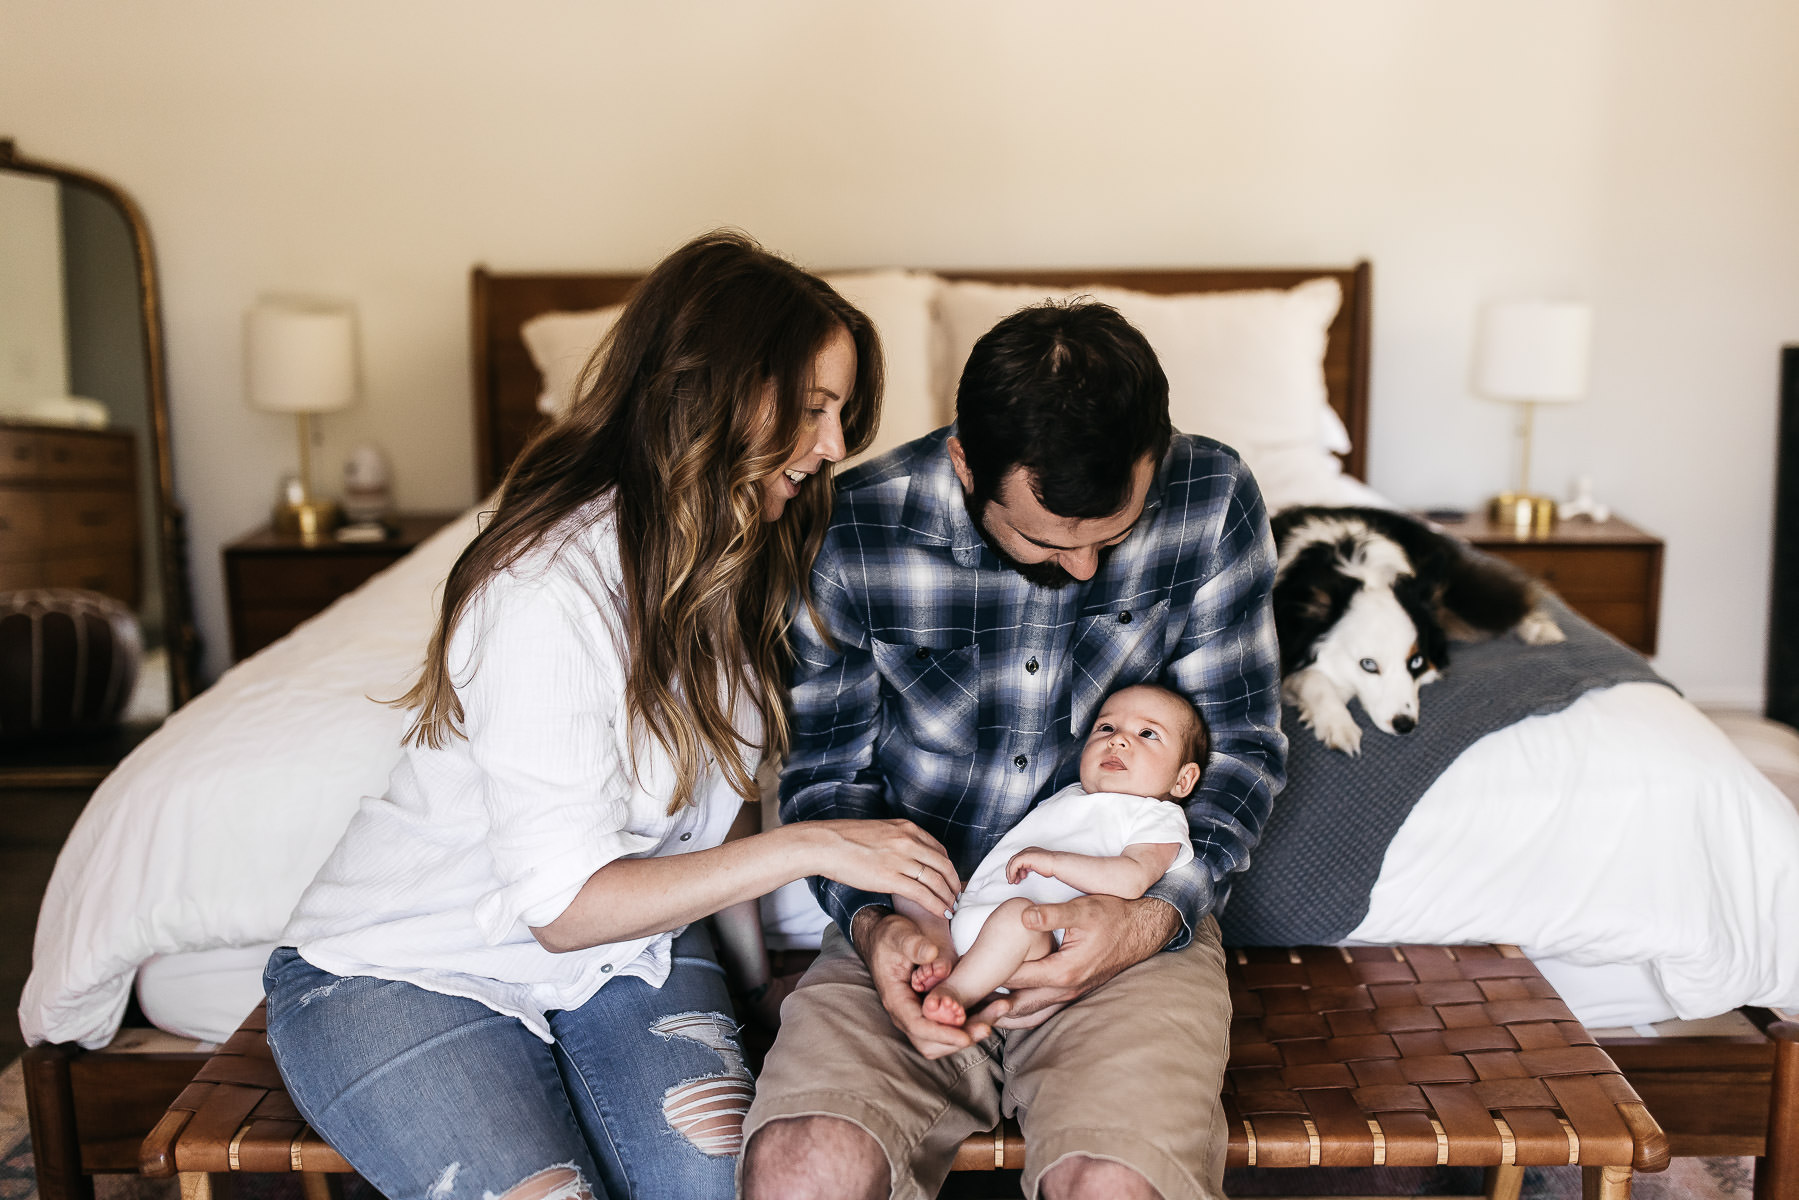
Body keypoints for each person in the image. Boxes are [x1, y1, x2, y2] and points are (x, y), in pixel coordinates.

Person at [261, 231, 967, 1200]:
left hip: (628, 955)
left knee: (716, 1186)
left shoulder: (744, 550)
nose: (834, 448)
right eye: (810, 410)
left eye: (841, 415)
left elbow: (721, 809)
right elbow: (559, 908)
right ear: (710, 395)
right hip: (405, 966)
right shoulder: (547, 591)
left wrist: (762, 983)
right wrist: (820, 846)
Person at [742, 300, 1286, 1200]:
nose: (1081, 570)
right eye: (1042, 539)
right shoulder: (854, 528)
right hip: (918, 914)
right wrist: (877, 923)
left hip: (1126, 914)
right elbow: (826, 778)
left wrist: (1145, 919)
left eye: (1108, 541)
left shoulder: (1210, 497)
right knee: (802, 1167)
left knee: (1116, 1184)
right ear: (965, 460)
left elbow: (1241, 754)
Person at [902, 683, 1209, 1028]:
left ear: (1183, 780)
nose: (1117, 740)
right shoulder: (1072, 794)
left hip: (1030, 938)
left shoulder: (1157, 816)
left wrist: (1053, 862)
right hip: (971, 909)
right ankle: (940, 952)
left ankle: (956, 991)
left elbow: (1133, 878)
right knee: (914, 869)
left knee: (1019, 916)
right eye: (1106, 727)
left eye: (1147, 733)